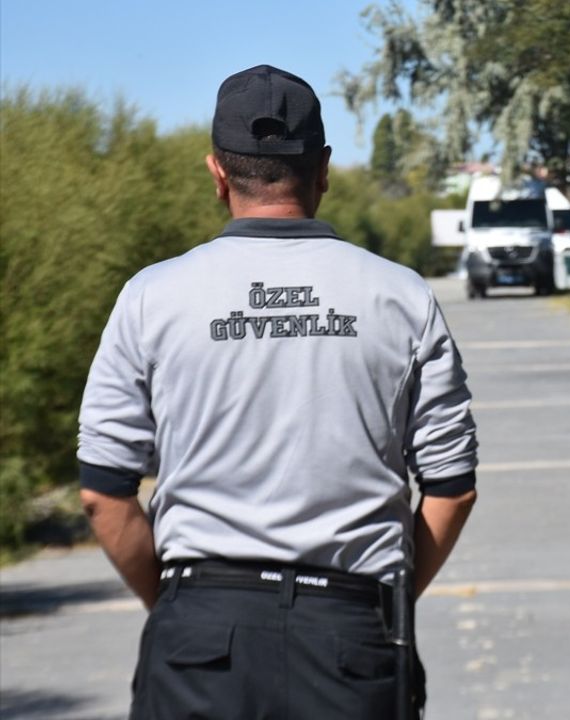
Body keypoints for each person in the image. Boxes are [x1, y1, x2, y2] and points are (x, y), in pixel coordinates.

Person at [76, 65, 478, 719]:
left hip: (198, 641)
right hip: (352, 636)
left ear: (216, 173)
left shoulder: (151, 297)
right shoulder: (402, 295)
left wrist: (183, 609)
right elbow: (452, 486)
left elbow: (104, 492)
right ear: (322, 169)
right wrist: (384, 601)